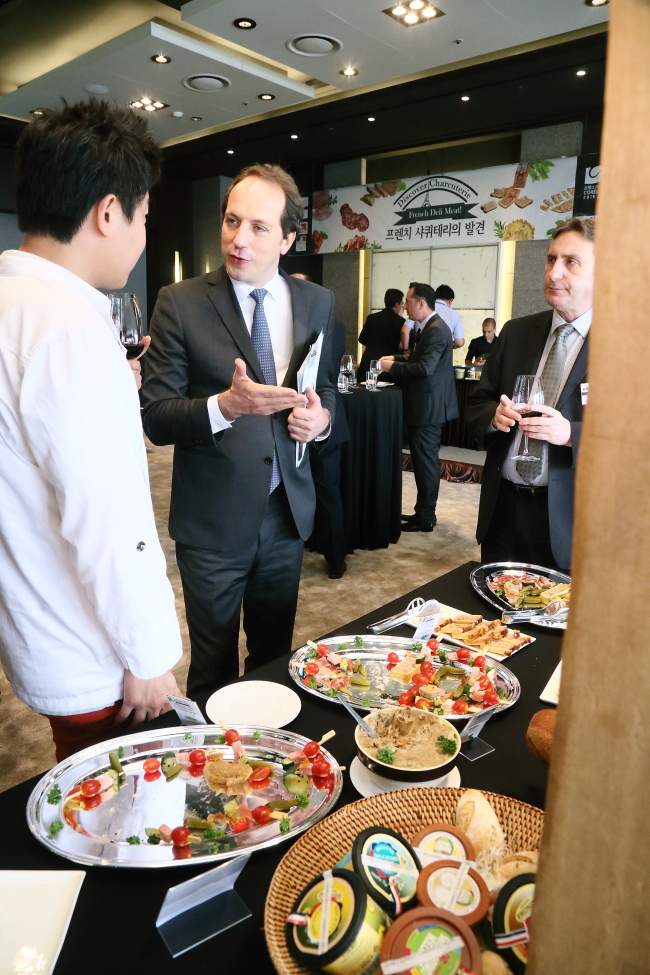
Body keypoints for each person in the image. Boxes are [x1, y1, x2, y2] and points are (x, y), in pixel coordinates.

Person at [0, 99, 182, 761]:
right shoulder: (70, 327)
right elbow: (106, 517)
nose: (140, 237)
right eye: (141, 217)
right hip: (93, 654)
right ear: (109, 212)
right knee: (122, 825)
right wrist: (148, 653)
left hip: (34, 624)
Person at [142, 164, 336, 696]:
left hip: (286, 514)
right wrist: (224, 407)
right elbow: (156, 417)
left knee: (276, 659)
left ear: (289, 239)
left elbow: (330, 393)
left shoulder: (316, 303)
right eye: (231, 221)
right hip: (213, 520)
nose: (239, 239)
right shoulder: (179, 303)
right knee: (213, 668)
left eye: (258, 227)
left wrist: (320, 421)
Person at [467, 217, 594, 572]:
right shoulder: (516, 332)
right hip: (502, 510)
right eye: (551, 259)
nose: (554, 273)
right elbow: (476, 405)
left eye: (571, 263)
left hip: (566, 521)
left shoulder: (627, 347)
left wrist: (571, 435)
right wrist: (494, 416)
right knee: (494, 620)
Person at [379, 282, 458, 532]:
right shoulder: (428, 327)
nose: (405, 306)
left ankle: (426, 517)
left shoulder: (435, 330)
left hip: (429, 408)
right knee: (423, 461)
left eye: (409, 302)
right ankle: (421, 512)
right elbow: (419, 359)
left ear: (421, 303)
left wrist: (393, 367)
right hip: (424, 406)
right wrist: (398, 358)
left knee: (425, 462)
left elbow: (426, 368)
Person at [292, 274, 350, 579]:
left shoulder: (333, 324)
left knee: (328, 492)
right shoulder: (279, 321)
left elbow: (326, 373)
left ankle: (336, 559)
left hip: (323, 417)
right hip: (286, 421)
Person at [357, 288, 405, 379]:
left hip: (367, 365)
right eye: (402, 304)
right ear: (397, 304)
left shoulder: (371, 318)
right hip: (387, 368)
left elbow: (362, 339)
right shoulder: (401, 322)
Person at [434, 285, 465, 349]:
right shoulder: (455, 315)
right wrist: (451, 345)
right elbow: (459, 342)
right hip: (443, 353)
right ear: (450, 300)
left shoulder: (424, 309)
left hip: (422, 353)